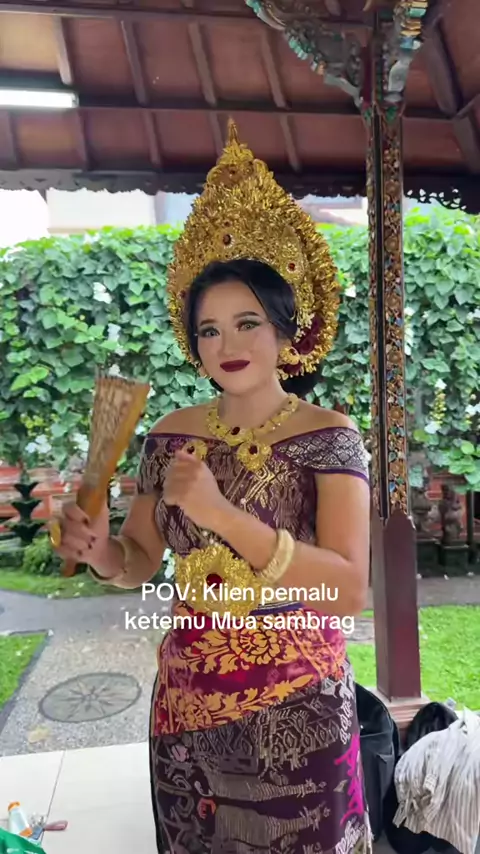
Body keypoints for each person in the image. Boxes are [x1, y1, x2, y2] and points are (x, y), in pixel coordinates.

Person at [53, 122, 372, 853]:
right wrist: (100, 551)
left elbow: (348, 591)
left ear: (287, 331)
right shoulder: (170, 434)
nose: (226, 345)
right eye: (208, 331)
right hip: (187, 705)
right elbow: (137, 559)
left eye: (247, 323)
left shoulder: (330, 436)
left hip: (299, 705)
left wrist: (219, 513)